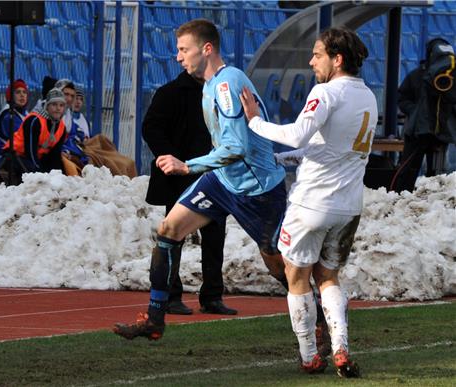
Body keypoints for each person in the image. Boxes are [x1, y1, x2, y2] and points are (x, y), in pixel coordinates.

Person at [113, 19, 288, 341]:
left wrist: (187, 166)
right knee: (168, 230)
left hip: (257, 188)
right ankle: (154, 319)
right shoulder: (209, 85)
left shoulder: (225, 85)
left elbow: (236, 148)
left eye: (183, 49)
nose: (178, 57)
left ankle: (318, 315)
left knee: (277, 261)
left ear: (206, 49)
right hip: (222, 180)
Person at [240, 27, 376, 377]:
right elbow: (328, 148)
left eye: (317, 54)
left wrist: (256, 123)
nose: (311, 60)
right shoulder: (367, 97)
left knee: (296, 275)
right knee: (328, 276)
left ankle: (309, 356)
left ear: (337, 59)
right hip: (349, 206)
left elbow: (298, 132)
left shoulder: (326, 92)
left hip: (312, 203)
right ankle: (341, 349)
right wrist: (288, 159)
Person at [142, 69, 236, 315]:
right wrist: (168, 157)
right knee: (174, 238)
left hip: (213, 175)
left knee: (215, 237)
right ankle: (171, 296)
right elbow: (151, 127)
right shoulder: (170, 92)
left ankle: (213, 296)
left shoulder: (219, 92)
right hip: (179, 177)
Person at [390, 38, 456, 193]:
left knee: (437, 175)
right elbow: (401, 97)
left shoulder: (451, 78)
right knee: (407, 169)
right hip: (417, 131)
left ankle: (432, 204)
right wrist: (414, 111)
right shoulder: (417, 75)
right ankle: (399, 198)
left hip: (441, 132)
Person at [2, 87, 68, 179]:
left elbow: (55, 154)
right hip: (15, 154)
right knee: (34, 173)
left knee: (60, 170)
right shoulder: (34, 120)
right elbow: (30, 151)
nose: (58, 108)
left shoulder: (62, 127)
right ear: (47, 106)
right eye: (54, 104)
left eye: (61, 105)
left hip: (38, 156)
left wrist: (57, 176)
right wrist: (40, 173)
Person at [0, 79, 29, 165]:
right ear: (10, 96)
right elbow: (23, 138)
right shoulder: (8, 115)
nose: (22, 95)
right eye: (18, 92)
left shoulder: (25, 113)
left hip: (20, 156)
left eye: (24, 92)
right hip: (7, 159)